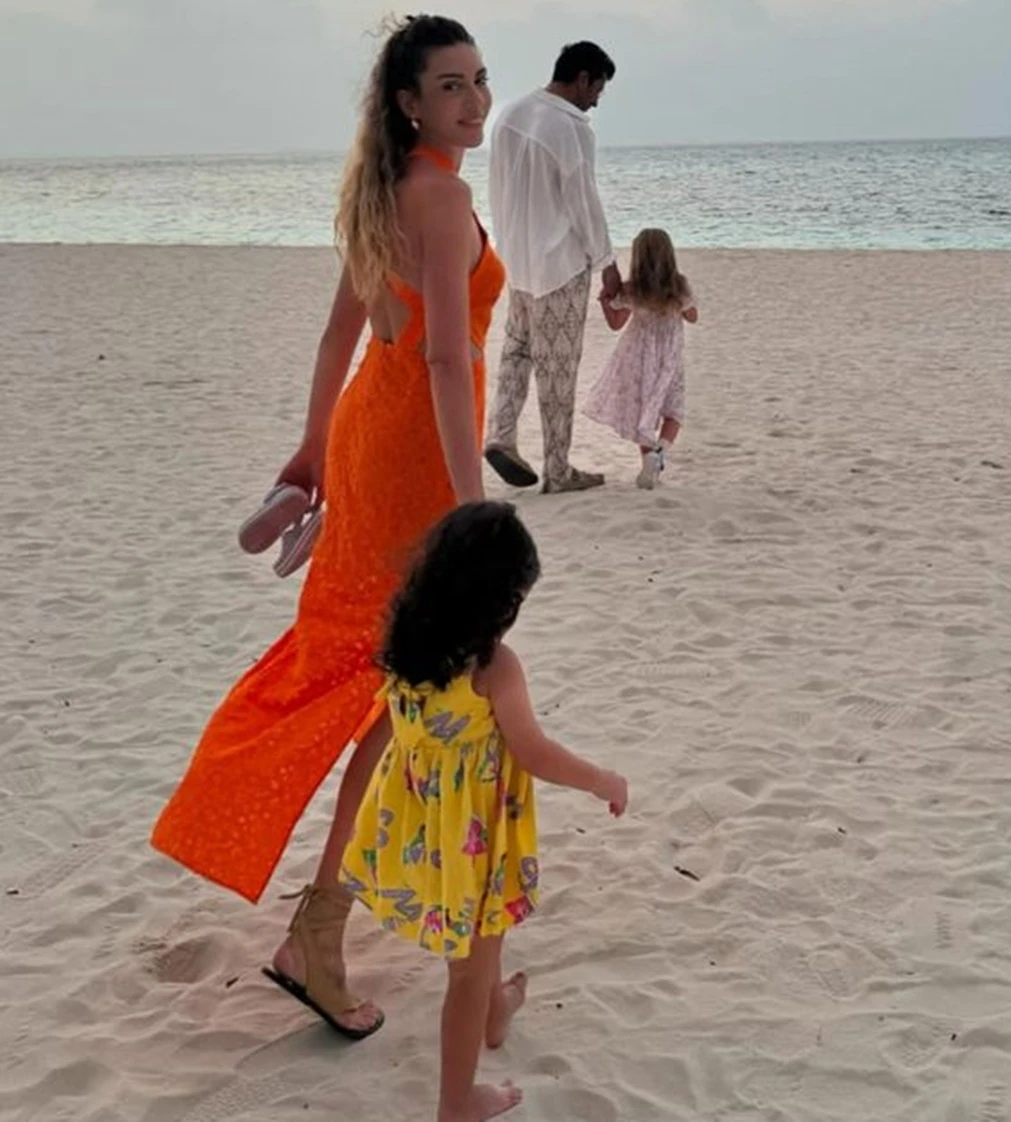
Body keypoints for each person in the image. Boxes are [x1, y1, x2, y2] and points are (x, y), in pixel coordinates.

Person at [150, 14, 505, 1040]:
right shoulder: (442, 198)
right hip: (414, 459)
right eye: (450, 86)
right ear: (408, 102)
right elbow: (446, 358)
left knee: (383, 681)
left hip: (367, 441)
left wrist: (314, 452)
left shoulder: (385, 190)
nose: (474, 101)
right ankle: (321, 928)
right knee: (401, 690)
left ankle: (361, 930)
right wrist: (472, 504)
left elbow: (337, 337)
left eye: (481, 79)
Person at [341, 501, 628, 1122]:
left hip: (421, 826)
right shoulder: (492, 667)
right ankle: (457, 1102)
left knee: (482, 945)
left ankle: (497, 1009)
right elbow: (534, 752)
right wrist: (602, 780)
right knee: (467, 975)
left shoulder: (406, 646)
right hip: (470, 837)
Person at [484, 41, 620, 495]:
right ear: (582, 79)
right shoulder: (570, 126)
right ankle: (557, 469)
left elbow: (498, 189)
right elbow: (583, 199)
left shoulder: (510, 115)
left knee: (517, 351)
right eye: (597, 89)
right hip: (559, 264)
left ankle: (501, 434)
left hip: (517, 260)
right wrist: (606, 262)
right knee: (558, 369)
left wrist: (507, 247)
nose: (595, 101)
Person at [584, 229, 698, 489]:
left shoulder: (632, 289)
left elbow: (616, 323)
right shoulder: (678, 287)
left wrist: (604, 302)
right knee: (674, 410)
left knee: (643, 410)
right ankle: (660, 453)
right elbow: (692, 317)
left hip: (638, 357)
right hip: (669, 357)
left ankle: (648, 460)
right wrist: (683, 307)